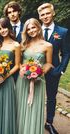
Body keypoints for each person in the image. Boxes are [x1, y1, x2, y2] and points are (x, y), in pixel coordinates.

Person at [16, 18, 53, 134]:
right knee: (21, 107)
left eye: (33, 27)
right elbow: (19, 62)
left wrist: (39, 72)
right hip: (23, 80)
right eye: (28, 29)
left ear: (38, 27)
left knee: (34, 107)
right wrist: (22, 68)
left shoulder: (48, 45)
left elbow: (48, 63)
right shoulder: (23, 45)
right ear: (26, 31)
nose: (31, 30)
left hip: (38, 81)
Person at [37, 3, 70, 134]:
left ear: (53, 13)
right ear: (39, 16)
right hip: (35, 68)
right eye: (42, 14)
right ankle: (34, 120)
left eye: (47, 13)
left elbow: (66, 52)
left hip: (54, 69)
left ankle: (49, 122)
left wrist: (61, 69)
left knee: (51, 97)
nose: (45, 16)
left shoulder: (63, 32)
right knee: (34, 95)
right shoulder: (35, 29)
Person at [3, 1, 23, 82]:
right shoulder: (3, 30)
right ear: (7, 15)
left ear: (19, 12)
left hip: (23, 67)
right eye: (9, 12)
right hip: (6, 68)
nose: (12, 14)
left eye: (14, 11)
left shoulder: (27, 28)